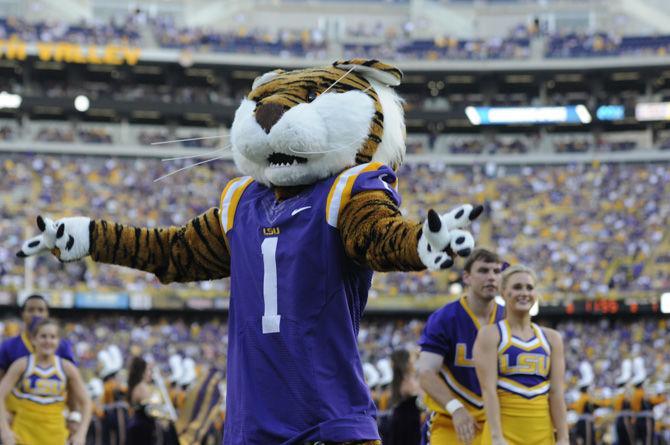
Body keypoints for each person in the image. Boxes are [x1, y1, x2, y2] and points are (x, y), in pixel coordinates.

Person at [416, 248, 505, 444]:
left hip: (498, 419)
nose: (491, 277)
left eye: (496, 271)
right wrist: (455, 407)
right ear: (466, 277)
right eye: (483, 271)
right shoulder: (445, 318)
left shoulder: (509, 318)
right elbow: (426, 373)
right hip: (451, 419)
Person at [473, 264, 568, 445]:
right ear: (503, 292)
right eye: (517, 287)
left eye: (529, 288)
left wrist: (563, 437)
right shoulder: (490, 334)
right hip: (504, 434)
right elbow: (489, 390)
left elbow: (556, 393)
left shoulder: (552, 339)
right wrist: (496, 436)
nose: (524, 292)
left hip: (543, 435)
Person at [0, 318, 91, 445]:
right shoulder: (21, 365)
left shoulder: (67, 368)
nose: (48, 341)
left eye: (52, 337)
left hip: (56, 436)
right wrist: (4, 430)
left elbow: (86, 403)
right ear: (33, 339)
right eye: (43, 336)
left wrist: (81, 434)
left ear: (58, 341)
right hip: (23, 435)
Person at [386, 348, 422, 445]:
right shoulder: (404, 379)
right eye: (410, 359)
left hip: (409, 418)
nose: (412, 361)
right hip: (406, 420)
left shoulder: (404, 377)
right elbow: (415, 392)